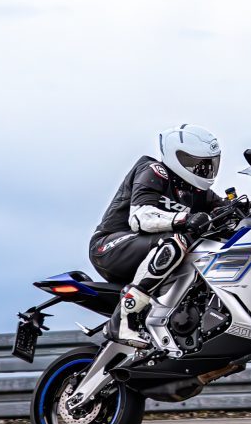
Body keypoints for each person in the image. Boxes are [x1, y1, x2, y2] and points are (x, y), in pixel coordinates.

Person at [89, 124, 225, 347]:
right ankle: (123, 318)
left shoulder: (200, 192)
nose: (203, 170)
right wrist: (184, 219)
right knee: (175, 241)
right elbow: (140, 217)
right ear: (175, 156)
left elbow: (224, 210)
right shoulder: (154, 171)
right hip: (109, 246)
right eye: (195, 163)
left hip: (149, 251)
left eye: (208, 164)